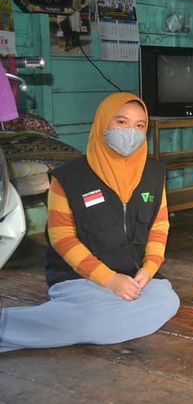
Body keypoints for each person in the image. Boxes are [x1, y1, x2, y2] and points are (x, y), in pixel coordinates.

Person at [0, 93, 180, 352]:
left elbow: (159, 226)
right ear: (103, 123)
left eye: (139, 125)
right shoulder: (69, 177)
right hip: (80, 278)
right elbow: (62, 239)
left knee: (167, 301)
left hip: (133, 276)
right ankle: (10, 328)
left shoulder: (153, 174)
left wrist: (149, 269)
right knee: (90, 323)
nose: (131, 131)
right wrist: (109, 280)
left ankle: (85, 319)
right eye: (121, 122)